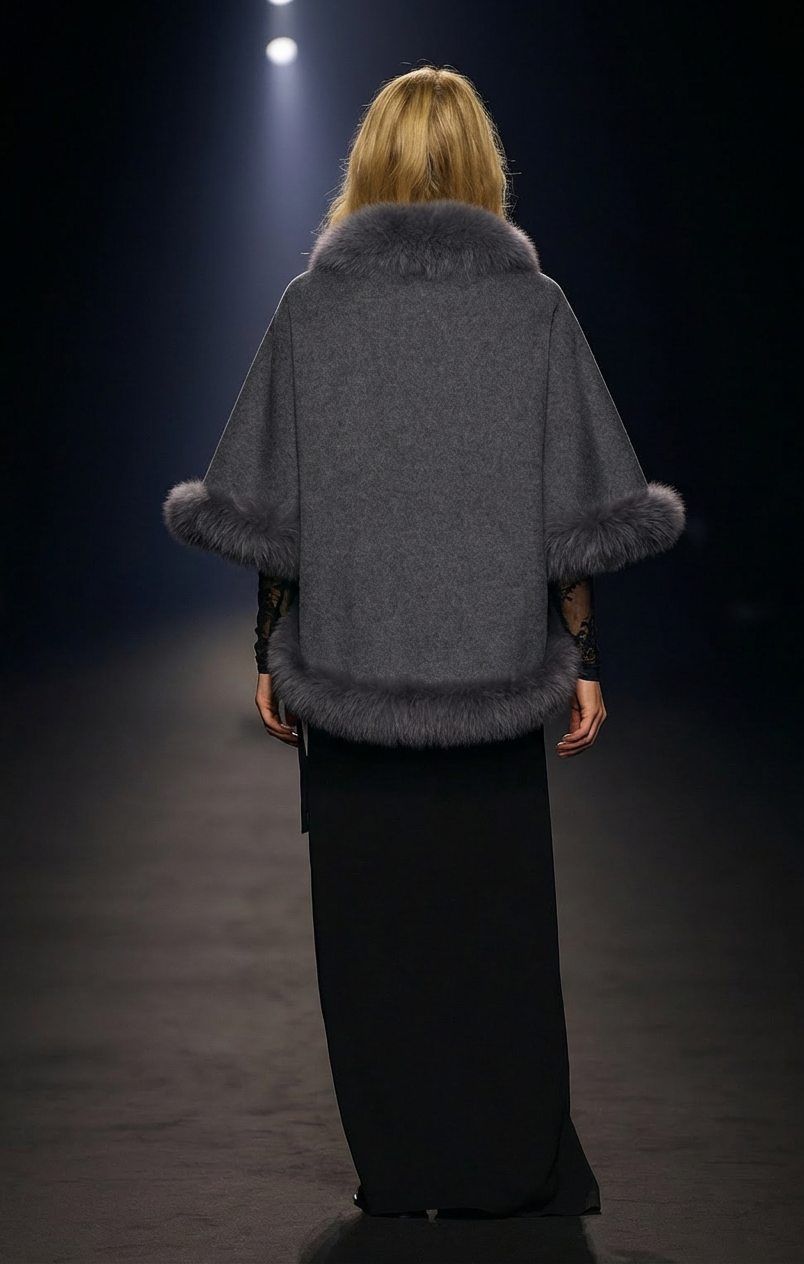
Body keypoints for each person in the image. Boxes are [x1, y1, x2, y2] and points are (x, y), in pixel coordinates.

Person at [163, 65, 685, 1219]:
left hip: (353, 673)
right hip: (492, 672)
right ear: (482, 166)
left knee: (373, 936)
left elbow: (271, 504)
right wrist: (584, 659)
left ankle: (402, 1168)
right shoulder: (531, 307)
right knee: (497, 929)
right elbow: (572, 503)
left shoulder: (313, 307)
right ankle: (508, 1160)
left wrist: (270, 645)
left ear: (367, 161)